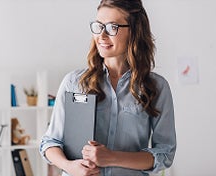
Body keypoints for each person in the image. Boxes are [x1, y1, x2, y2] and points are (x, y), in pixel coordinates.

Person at [39, 0, 176, 175]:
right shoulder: (73, 82)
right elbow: (50, 142)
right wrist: (69, 166)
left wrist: (111, 157)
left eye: (112, 27)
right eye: (98, 26)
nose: (102, 36)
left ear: (134, 31)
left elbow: (165, 153)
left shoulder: (156, 87)